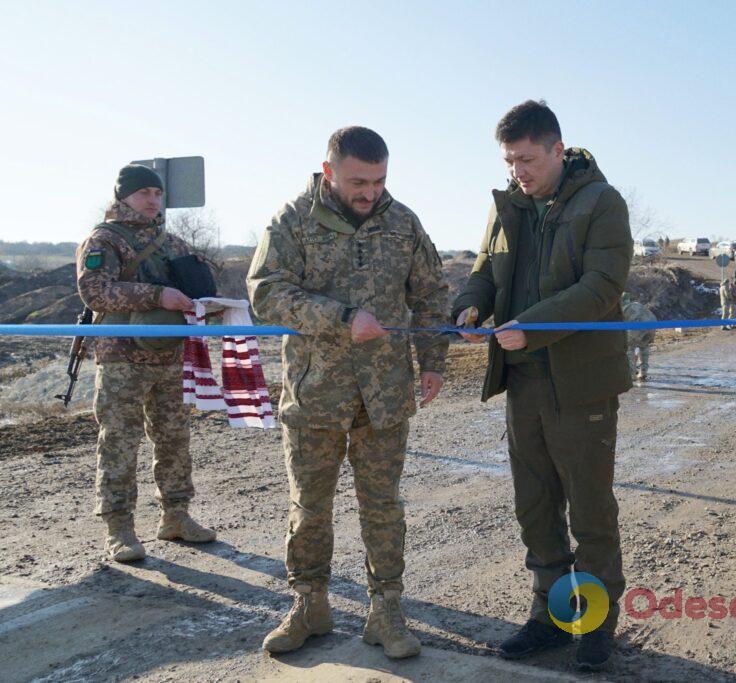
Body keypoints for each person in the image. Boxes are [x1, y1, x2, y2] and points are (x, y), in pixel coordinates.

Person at [247, 126, 449, 657]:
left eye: (379, 180)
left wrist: (433, 364)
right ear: (330, 171)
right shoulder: (293, 220)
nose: (371, 192)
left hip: (384, 394)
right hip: (316, 393)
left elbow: (430, 296)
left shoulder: (403, 222)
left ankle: (386, 610)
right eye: (359, 181)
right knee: (309, 508)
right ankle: (309, 604)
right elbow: (265, 293)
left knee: (383, 505)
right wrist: (339, 318)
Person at [451, 100, 632, 671]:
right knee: (535, 507)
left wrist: (530, 328)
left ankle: (597, 623)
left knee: (589, 510)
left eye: (527, 159)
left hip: (580, 383)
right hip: (522, 382)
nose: (517, 172)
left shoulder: (601, 202)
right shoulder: (509, 207)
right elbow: (485, 269)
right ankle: (551, 617)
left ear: (558, 148)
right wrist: (470, 303)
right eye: (509, 161)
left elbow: (602, 286)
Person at [76, 164, 216, 563]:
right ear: (124, 198)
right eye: (144, 194)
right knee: (120, 439)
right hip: (121, 357)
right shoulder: (105, 239)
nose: (154, 200)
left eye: (158, 194)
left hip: (168, 353)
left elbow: (191, 285)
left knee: (174, 437)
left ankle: (176, 515)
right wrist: (157, 296)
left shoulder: (168, 240)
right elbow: (95, 292)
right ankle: (119, 528)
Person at [621, 292, 657, 382]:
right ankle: (643, 373)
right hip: (652, 323)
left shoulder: (623, 308)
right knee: (644, 347)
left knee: (629, 348)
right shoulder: (636, 304)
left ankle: (631, 375)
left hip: (639, 326)